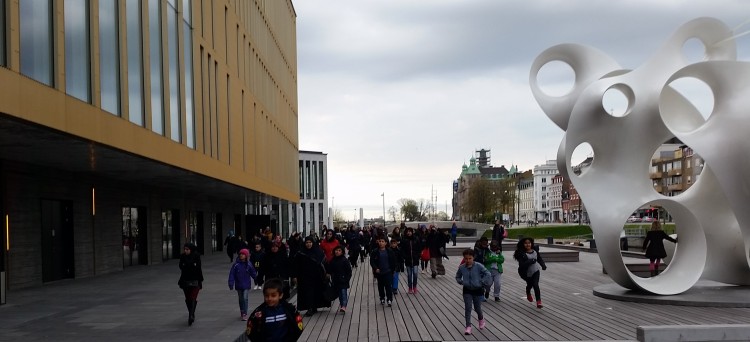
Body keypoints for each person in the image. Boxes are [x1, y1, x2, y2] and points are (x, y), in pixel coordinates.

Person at [455, 248, 492, 335]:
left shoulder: (478, 266)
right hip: (467, 290)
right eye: (466, 258)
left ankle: (481, 319)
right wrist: (461, 281)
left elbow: (488, 273)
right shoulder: (462, 267)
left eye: (470, 258)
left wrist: (482, 282)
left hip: (478, 290)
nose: (468, 260)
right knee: (468, 308)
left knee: (477, 308)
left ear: (473, 257)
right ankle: (468, 326)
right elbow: (457, 276)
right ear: (464, 258)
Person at [292, 237, 329, 316]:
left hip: (317, 276)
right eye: (307, 243)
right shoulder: (301, 253)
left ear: (313, 243)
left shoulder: (318, 251)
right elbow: (295, 265)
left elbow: (324, 263)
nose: (308, 244)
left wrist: (326, 273)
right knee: (307, 292)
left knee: (316, 292)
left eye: (310, 242)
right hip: (304, 276)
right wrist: (294, 276)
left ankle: (314, 306)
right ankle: (309, 308)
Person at [513, 237, 547, 309]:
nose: (528, 245)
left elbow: (539, 258)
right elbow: (522, 265)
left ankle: (539, 301)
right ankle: (528, 292)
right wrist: (530, 261)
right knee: (530, 284)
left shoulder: (535, 251)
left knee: (535, 284)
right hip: (526, 273)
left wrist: (543, 265)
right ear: (523, 244)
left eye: (529, 243)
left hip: (535, 271)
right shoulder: (521, 253)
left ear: (531, 244)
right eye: (526, 243)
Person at [228, 248, 258, 321]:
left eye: (243, 254)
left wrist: (256, 279)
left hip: (246, 285)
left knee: (245, 298)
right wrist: (231, 283)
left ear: (246, 256)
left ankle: (245, 313)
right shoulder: (236, 265)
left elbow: (253, 273)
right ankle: (242, 310)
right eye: (240, 254)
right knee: (241, 299)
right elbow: (232, 274)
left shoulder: (249, 265)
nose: (241, 255)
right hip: (239, 285)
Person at [178, 243, 203, 326]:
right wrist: (189, 265)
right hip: (185, 280)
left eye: (187, 249)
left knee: (193, 297)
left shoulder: (196, 256)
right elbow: (181, 266)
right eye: (185, 249)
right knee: (188, 298)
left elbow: (198, 268)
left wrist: (200, 280)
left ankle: (191, 315)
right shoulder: (182, 256)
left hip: (195, 280)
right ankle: (191, 313)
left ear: (191, 249)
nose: (185, 251)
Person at [370, 236, 397, 306]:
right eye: (380, 241)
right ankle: (382, 298)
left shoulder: (389, 251)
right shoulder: (375, 251)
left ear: (386, 243)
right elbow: (372, 261)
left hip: (388, 271)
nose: (381, 243)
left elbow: (393, 261)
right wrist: (376, 268)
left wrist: (393, 270)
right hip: (379, 272)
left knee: (388, 286)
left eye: (383, 241)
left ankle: (389, 299)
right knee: (380, 286)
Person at [326, 246, 353, 313]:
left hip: (343, 280)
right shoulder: (333, 260)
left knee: (343, 293)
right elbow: (330, 268)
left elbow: (349, 271)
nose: (337, 252)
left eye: (339, 250)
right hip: (336, 280)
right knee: (340, 294)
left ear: (342, 252)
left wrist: (346, 279)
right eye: (336, 250)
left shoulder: (345, 260)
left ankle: (344, 306)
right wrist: (328, 273)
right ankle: (342, 305)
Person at [399, 227, 423, 294]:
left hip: (415, 259)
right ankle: (410, 287)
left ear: (412, 232)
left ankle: (414, 286)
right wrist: (404, 256)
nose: (409, 233)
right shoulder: (404, 240)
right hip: (408, 260)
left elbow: (419, 248)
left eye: (410, 231)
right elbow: (402, 249)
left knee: (415, 273)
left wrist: (418, 255)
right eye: (407, 231)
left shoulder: (416, 239)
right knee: (409, 274)